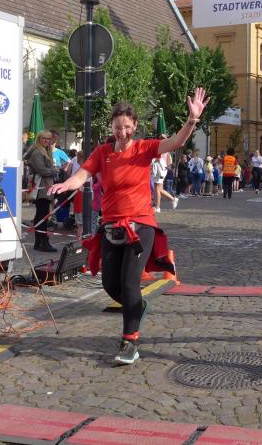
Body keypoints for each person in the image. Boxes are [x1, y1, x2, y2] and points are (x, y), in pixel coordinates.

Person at [49, 89, 208, 365]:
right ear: (111, 127)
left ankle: (129, 342)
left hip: (140, 226)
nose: (122, 132)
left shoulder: (144, 148)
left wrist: (192, 120)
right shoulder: (103, 152)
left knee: (130, 282)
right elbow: (82, 175)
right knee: (111, 284)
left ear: (134, 125)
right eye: (117, 127)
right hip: (111, 225)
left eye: (126, 127)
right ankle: (137, 307)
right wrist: (65, 185)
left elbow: (175, 142)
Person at [27, 131, 59, 252]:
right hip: (41, 188)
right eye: (44, 138)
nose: (46, 140)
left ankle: (40, 242)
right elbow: (42, 170)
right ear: (39, 139)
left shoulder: (44, 151)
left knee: (42, 215)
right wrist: (55, 171)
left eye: (48, 139)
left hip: (45, 187)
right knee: (42, 215)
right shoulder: (37, 152)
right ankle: (42, 242)